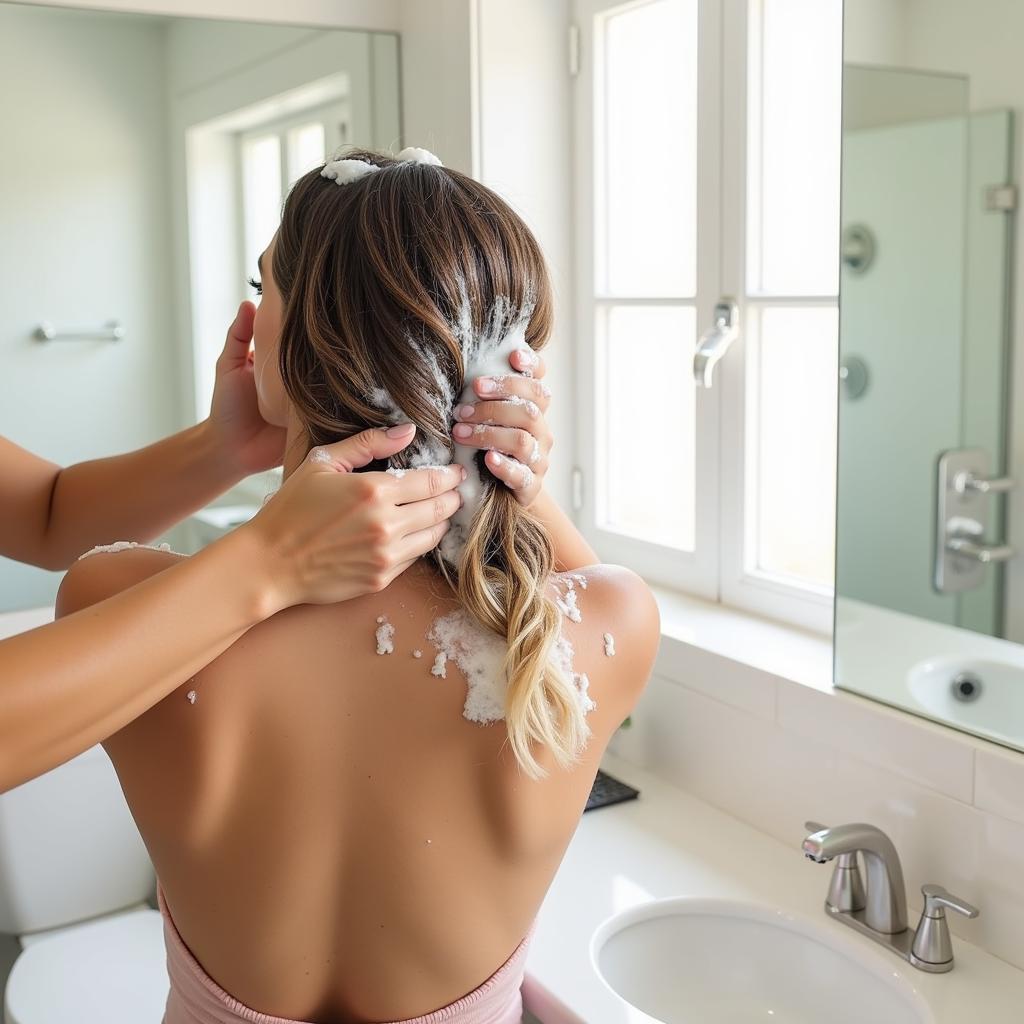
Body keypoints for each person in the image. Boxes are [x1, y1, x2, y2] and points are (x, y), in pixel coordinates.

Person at [57, 148, 660, 1024]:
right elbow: (584, 577)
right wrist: (514, 475)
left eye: (265, 291)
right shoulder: (600, 631)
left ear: (299, 348)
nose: (247, 318)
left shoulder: (112, 598)